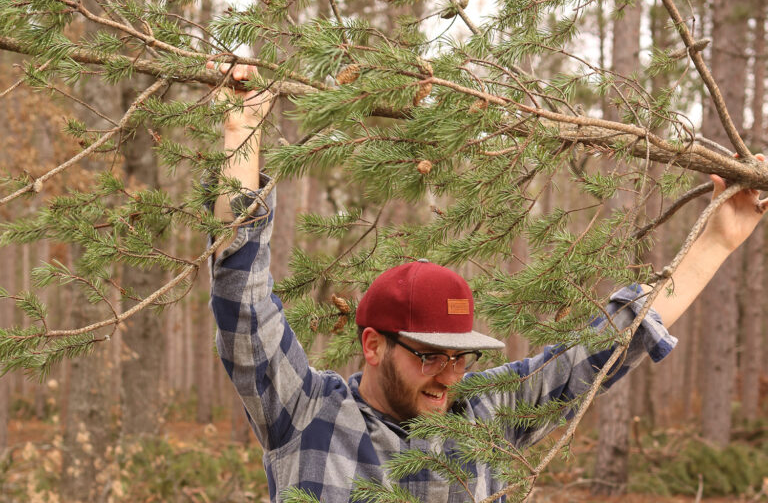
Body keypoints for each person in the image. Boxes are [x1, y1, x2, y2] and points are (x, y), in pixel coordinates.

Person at [207, 63, 767, 502]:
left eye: (461, 356)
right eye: (430, 356)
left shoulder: (486, 416)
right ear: (373, 344)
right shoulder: (306, 413)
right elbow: (243, 302)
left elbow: (607, 346)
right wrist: (241, 133)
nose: (450, 375)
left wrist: (716, 241)